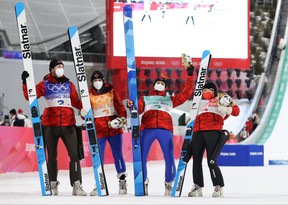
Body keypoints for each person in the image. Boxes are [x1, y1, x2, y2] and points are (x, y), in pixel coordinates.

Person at [21, 59, 87, 196]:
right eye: (58, 66)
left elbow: (76, 102)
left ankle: (76, 185)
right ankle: (52, 184)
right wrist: (25, 83)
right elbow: (30, 96)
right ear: (51, 69)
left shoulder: (69, 84)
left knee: (74, 155)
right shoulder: (44, 84)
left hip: (68, 125)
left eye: (62, 66)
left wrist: (85, 110)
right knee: (52, 156)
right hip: (51, 125)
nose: (61, 68)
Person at [127, 65, 195, 196]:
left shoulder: (170, 100)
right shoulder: (144, 99)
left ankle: (169, 184)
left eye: (162, 83)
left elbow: (186, 93)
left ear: (165, 87)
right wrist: (131, 106)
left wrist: (190, 75)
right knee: (142, 157)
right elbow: (137, 109)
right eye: (157, 83)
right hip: (147, 129)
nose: (159, 84)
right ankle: (143, 182)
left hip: (165, 129)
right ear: (153, 86)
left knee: (169, 157)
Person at [183, 82, 240, 198]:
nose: (205, 93)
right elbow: (203, 116)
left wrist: (226, 109)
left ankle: (218, 187)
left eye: (207, 90)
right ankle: (198, 186)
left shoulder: (221, 97)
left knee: (211, 161)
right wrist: (192, 119)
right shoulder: (205, 105)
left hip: (212, 131)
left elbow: (236, 111)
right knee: (196, 161)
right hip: (198, 132)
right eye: (203, 91)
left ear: (214, 90)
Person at [83, 71, 128, 196]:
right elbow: (87, 114)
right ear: (92, 83)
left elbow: (120, 108)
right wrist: (83, 114)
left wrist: (121, 119)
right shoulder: (88, 95)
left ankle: (122, 181)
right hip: (98, 130)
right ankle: (99, 184)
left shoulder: (111, 91)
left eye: (99, 80)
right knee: (98, 157)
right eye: (95, 81)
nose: (97, 83)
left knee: (118, 155)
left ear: (103, 81)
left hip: (114, 129)